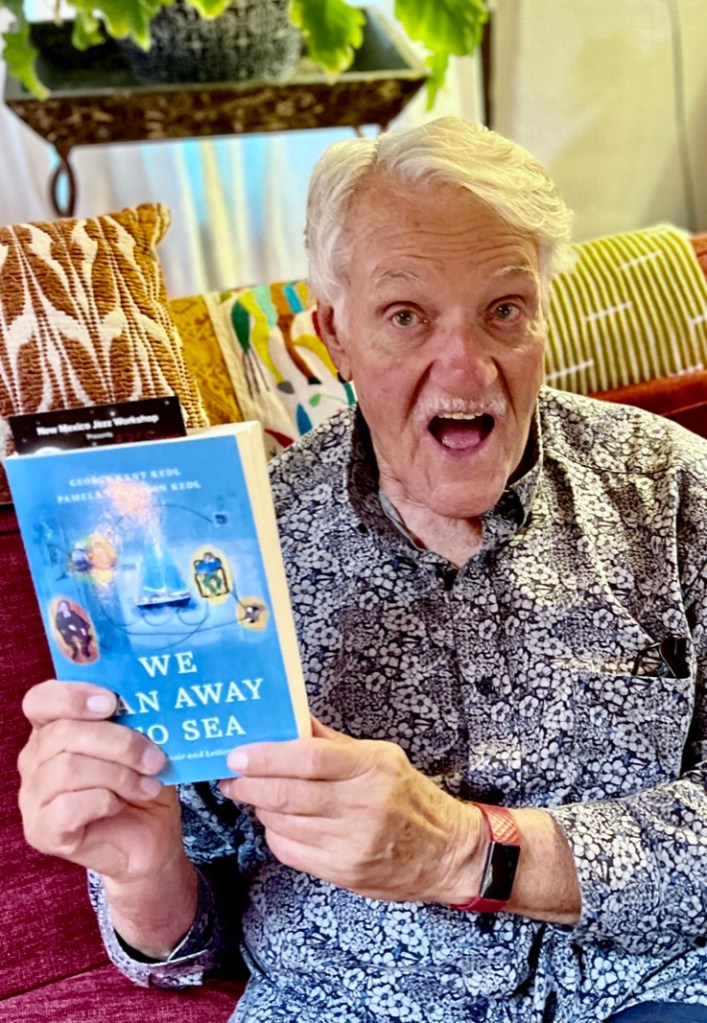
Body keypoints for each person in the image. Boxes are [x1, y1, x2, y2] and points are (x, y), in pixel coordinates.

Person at [17, 118, 707, 1023]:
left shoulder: (669, 487)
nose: (465, 368)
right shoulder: (230, 548)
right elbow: (184, 944)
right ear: (334, 336)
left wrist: (468, 849)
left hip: (645, 992)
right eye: (405, 315)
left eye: (503, 309)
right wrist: (144, 873)